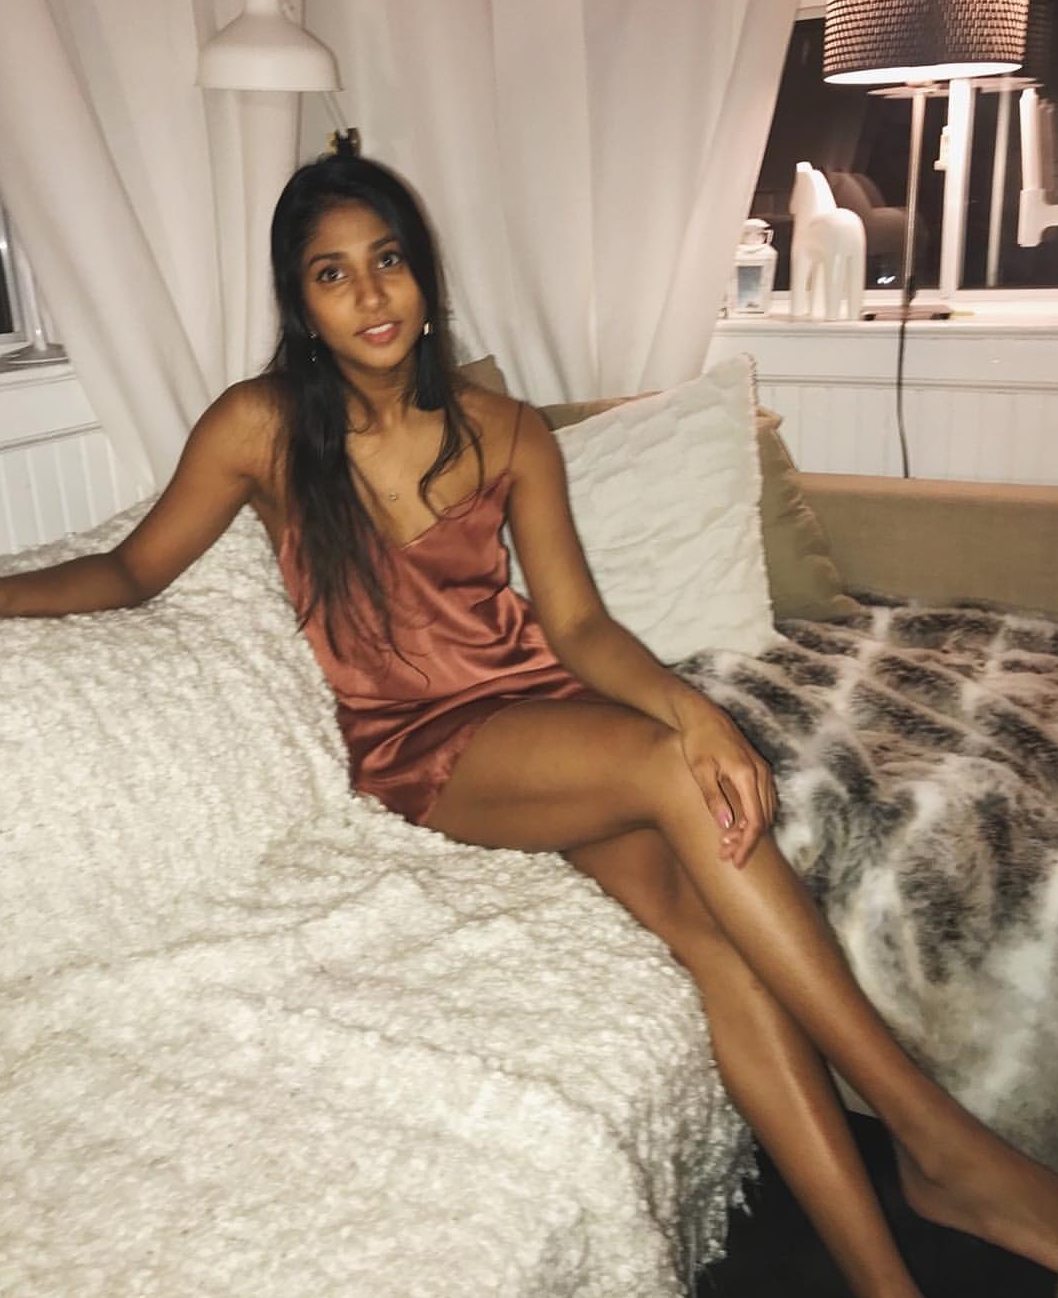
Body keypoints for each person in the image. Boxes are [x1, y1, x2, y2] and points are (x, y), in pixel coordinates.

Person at [2, 149, 1057, 1298]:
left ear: (424, 274)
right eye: (331, 273)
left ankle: (882, 1277)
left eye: (388, 260)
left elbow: (580, 624)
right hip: (422, 743)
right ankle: (932, 1135)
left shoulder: (504, 430)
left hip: (543, 706)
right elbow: (130, 569)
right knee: (678, 766)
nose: (369, 294)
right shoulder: (259, 425)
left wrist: (688, 705)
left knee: (715, 937)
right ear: (298, 301)